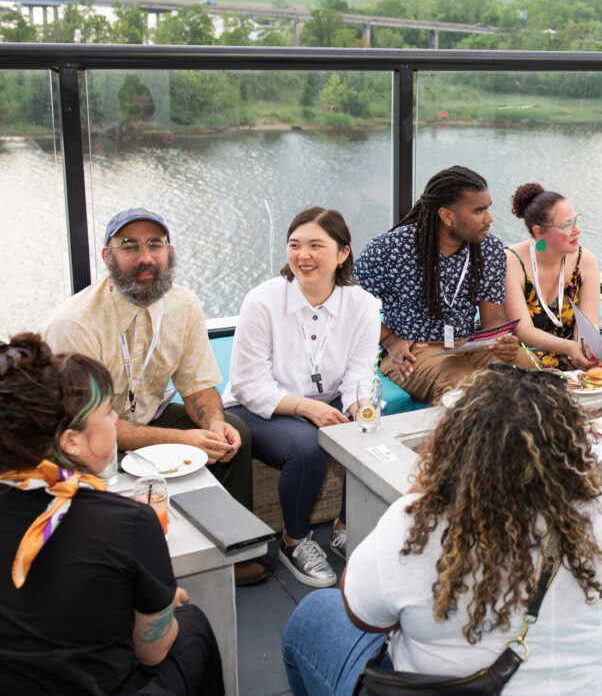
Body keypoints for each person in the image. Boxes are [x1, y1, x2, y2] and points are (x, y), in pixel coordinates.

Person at [281, 365, 602, 695]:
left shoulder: (416, 522)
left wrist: (423, 489)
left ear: (457, 443)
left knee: (315, 612)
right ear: (568, 445)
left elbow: (360, 613)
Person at [45, 207, 263, 585]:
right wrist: (182, 439)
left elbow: (196, 385)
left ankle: (234, 552)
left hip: (147, 415)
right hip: (89, 433)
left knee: (234, 431)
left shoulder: (184, 305)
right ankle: (119, 571)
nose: (146, 258)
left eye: (155, 245)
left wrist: (213, 424)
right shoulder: (74, 324)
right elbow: (85, 425)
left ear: (170, 252)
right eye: (130, 246)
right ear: (107, 255)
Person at [0, 333, 224, 696]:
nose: (116, 418)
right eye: (107, 412)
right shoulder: (130, 523)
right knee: (192, 625)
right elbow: (152, 652)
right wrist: (167, 602)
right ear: (71, 442)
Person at [224, 207, 379, 588]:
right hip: (262, 406)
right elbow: (247, 383)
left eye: (315, 246)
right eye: (295, 245)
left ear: (343, 253)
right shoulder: (262, 301)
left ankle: (346, 526)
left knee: (367, 432)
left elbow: (360, 374)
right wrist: (306, 408)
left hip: (325, 402)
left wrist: (359, 408)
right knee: (308, 445)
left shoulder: (361, 304)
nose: (303, 256)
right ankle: (294, 540)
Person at [354, 165, 533, 404]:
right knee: (470, 390)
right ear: (447, 216)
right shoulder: (391, 249)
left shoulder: (489, 249)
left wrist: (500, 339)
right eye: (479, 210)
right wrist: (390, 341)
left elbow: (493, 318)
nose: (490, 218)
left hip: (468, 344)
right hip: (413, 349)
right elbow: (350, 303)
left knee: (531, 379)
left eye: (488, 208)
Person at [504, 182, 602, 373]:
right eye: (567, 225)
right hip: (527, 350)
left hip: (570, 348)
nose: (577, 230)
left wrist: (584, 349)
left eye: (577, 220)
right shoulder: (512, 261)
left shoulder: (585, 260)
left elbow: (588, 324)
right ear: (539, 231)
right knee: (546, 371)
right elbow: (524, 331)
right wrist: (570, 349)